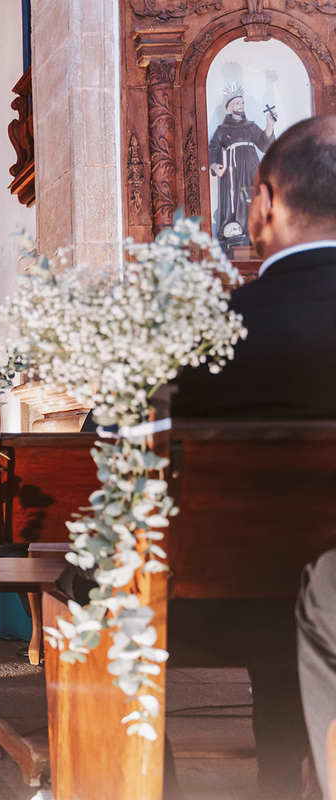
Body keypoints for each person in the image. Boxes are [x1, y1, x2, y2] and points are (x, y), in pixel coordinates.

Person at [176, 115, 336, 799]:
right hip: (319, 594)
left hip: (231, 600)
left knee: (101, 602)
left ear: (264, 201)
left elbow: (121, 447)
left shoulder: (217, 330)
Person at [209, 86, 276, 257]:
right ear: (229, 107)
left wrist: (269, 124)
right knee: (235, 197)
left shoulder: (251, 127)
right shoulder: (222, 129)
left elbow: (264, 145)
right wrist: (214, 165)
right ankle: (235, 231)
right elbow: (213, 148)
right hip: (233, 169)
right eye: (237, 102)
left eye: (242, 102)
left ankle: (255, 231)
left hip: (252, 165)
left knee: (252, 195)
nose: (241, 105)